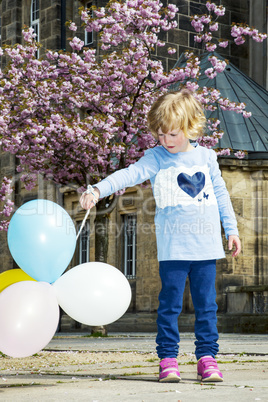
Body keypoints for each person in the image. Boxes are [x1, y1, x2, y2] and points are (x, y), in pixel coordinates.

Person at [79, 89, 241, 383]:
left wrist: (231, 229)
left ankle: (207, 358)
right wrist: (97, 189)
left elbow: (221, 194)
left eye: (173, 134)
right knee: (170, 306)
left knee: (207, 306)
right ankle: (168, 358)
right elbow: (129, 174)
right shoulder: (155, 158)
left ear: (191, 128)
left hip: (205, 248)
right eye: (161, 134)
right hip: (174, 250)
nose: (166, 140)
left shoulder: (207, 157)